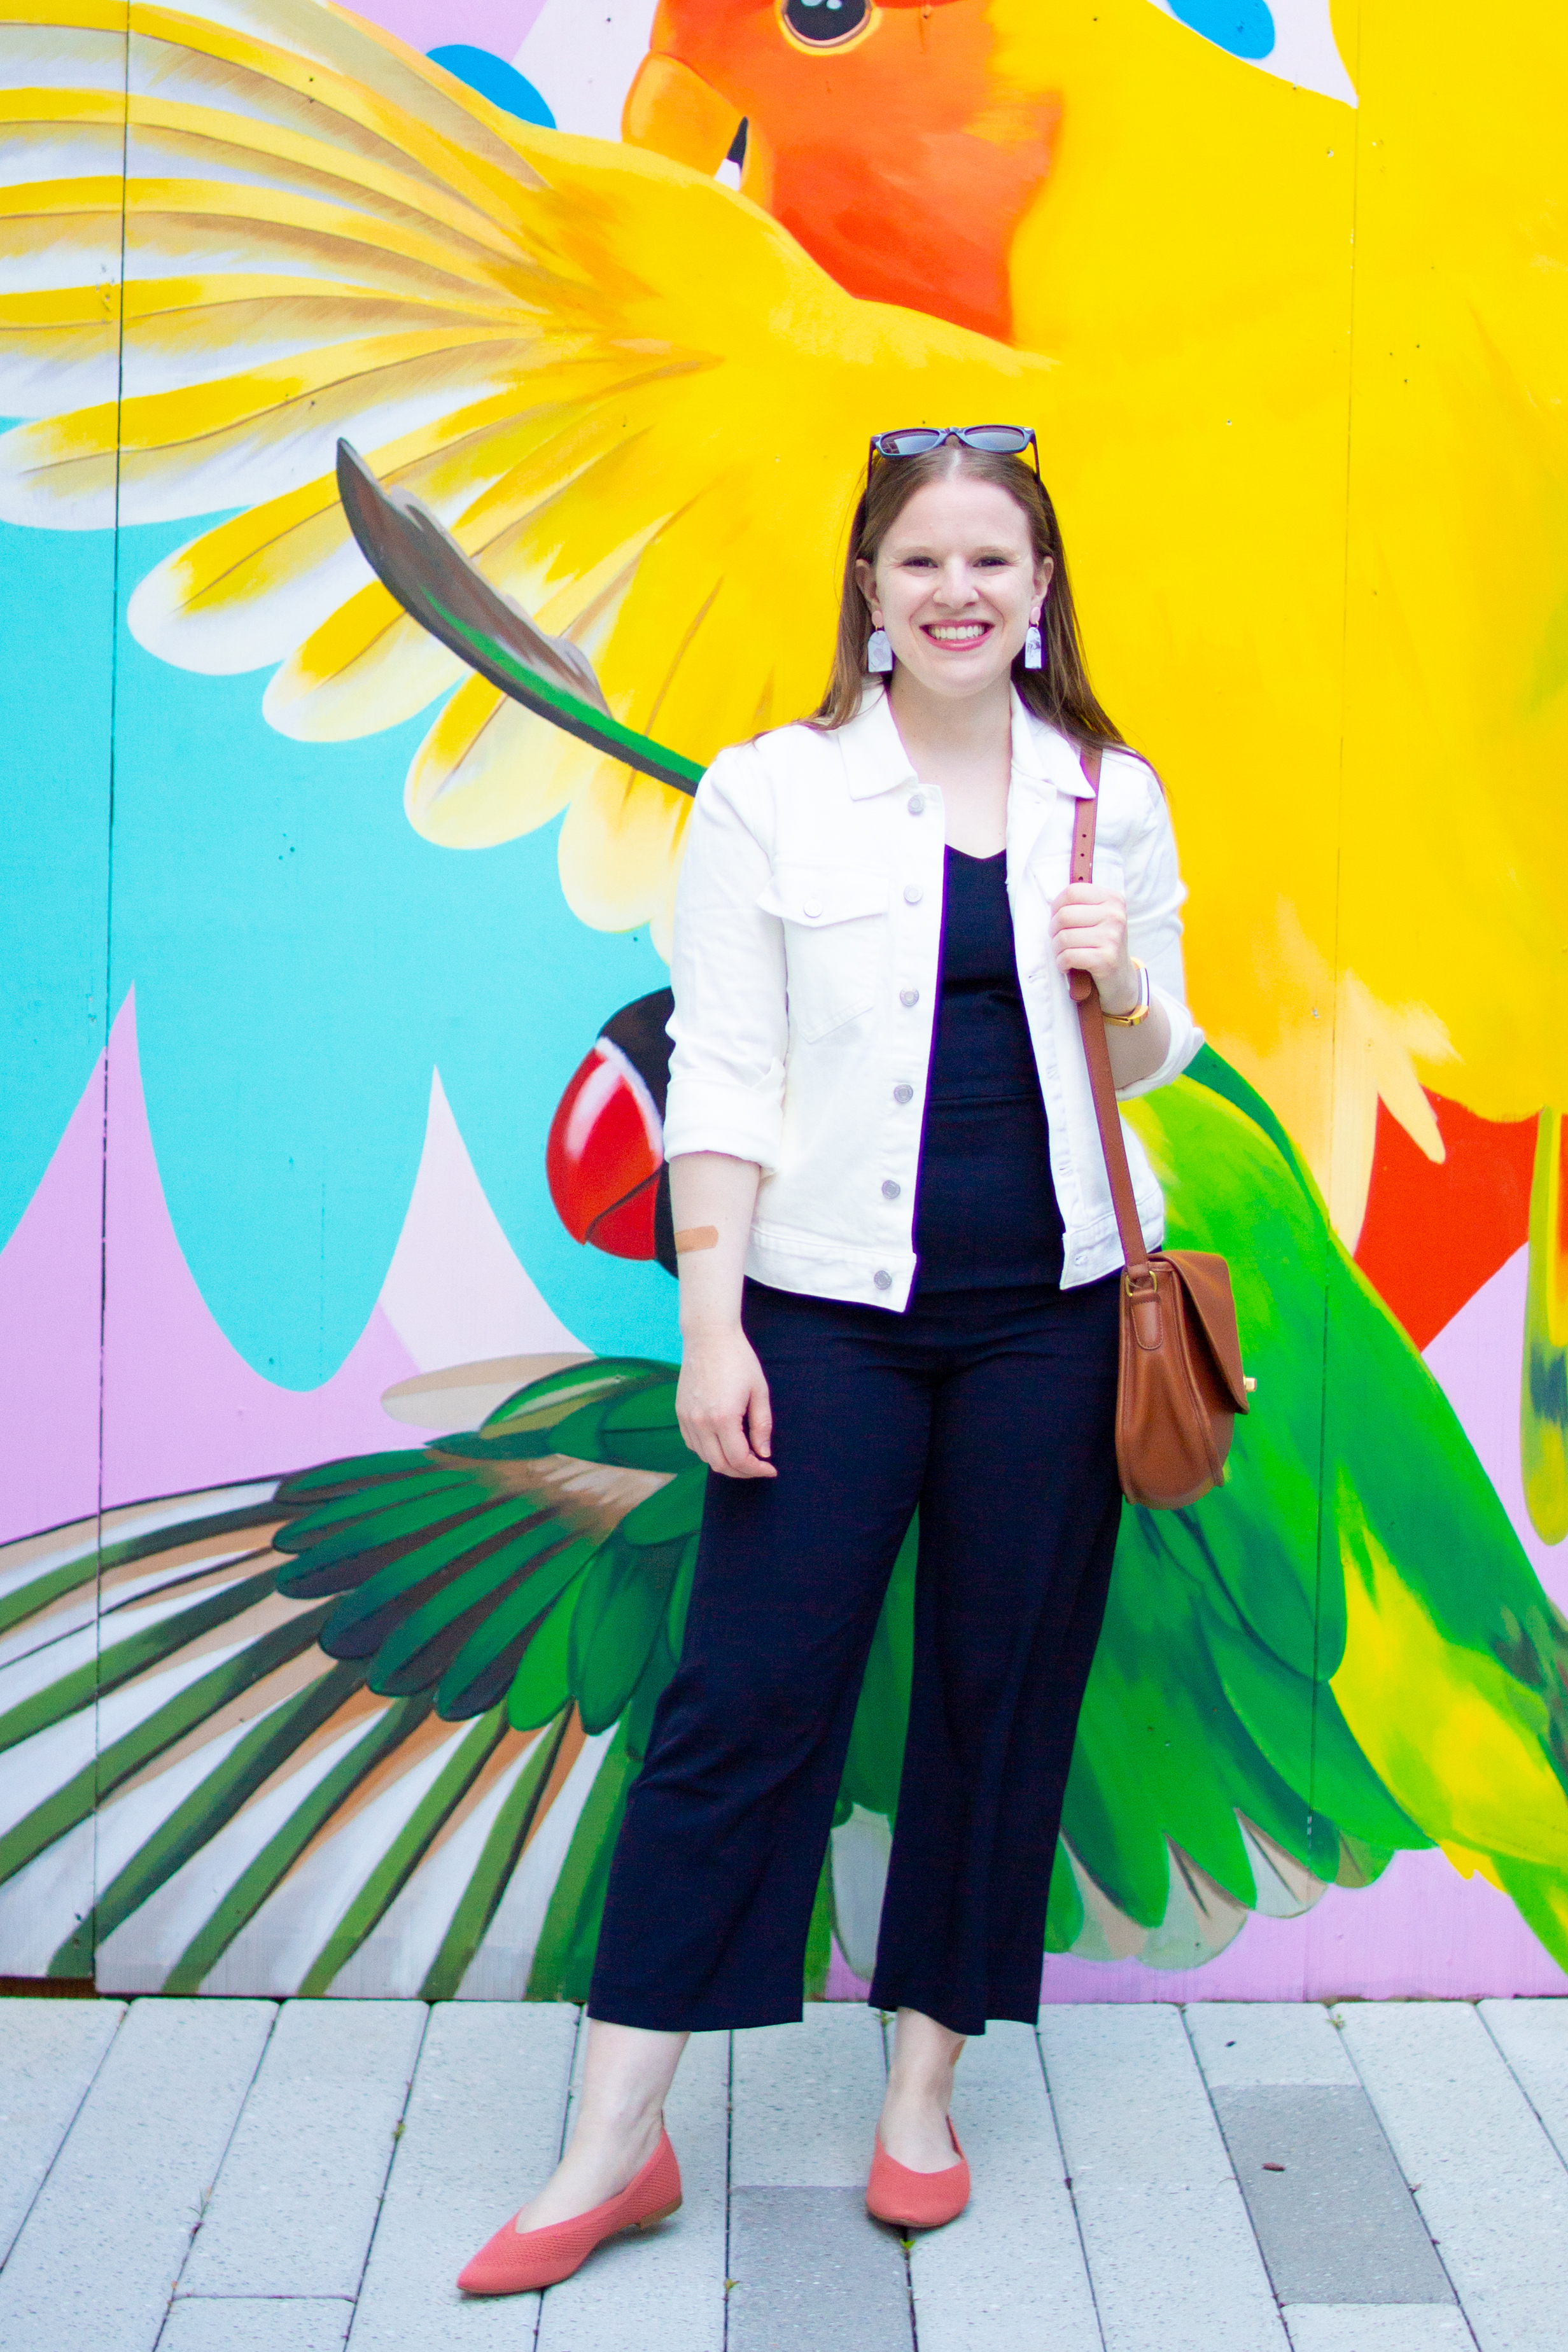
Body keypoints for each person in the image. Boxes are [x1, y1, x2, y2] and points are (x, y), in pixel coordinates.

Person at [458, 425, 1201, 2296]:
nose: (961, 593)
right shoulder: (768, 795)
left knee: (993, 1689)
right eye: (925, 561)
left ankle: (920, 2097)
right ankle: (611, 2142)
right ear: (868, 589)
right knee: (743, 1705)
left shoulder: (1107, 794)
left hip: (1048, 1316)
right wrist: (712, 1322)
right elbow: (719, 1071)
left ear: (1044, 596)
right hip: (823, 1312)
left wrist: (1125, 983)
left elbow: (1149, 1063)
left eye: (996, 563)